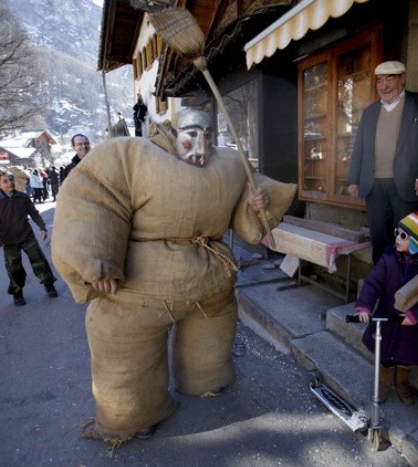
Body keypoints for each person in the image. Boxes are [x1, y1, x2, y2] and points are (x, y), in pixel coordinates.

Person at [51, 109, 296, 444]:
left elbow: (250, 197)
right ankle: (131, 417)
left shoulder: (230, 163)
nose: (202, 144)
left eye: (209, 136)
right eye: (193, 134)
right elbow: (93, 198)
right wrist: (98, 264)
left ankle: (203, 382)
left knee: (190, 345)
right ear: (172, 131)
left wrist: (257, 202)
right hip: (143, 284)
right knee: (124, 348)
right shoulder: (130, 154)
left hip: (209, 279)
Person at [346, 60, 418, 264]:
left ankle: (402, 286)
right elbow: (359, 148)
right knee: (379, 239)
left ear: (403, 78)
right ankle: (380, 281)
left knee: (406, 238)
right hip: (374, 186)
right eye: (380, 81)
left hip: (407, 184)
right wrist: (353, 180)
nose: (384, 86)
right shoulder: (370, 112)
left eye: (390, 79)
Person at [353, 210, 418, 406]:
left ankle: (401, 383)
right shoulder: (389, 259)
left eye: (403, 235)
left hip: (412, 326)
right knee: (385, 356)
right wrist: (365, 307)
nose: (397, 238)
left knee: (406, 358)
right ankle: (384, 383)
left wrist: (417, 315)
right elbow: (372, 283)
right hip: (387, 318)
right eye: (397, 232)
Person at [0, 171, 58, 306]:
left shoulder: (23, 197)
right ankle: (17, 293)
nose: (10, 183)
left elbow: (34, 214)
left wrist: (42, 227)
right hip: (8, 241)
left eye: (10, 180)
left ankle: (49, 285)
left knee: (39, 261)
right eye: (5, 181)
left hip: (26, 236)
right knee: (14, 268)